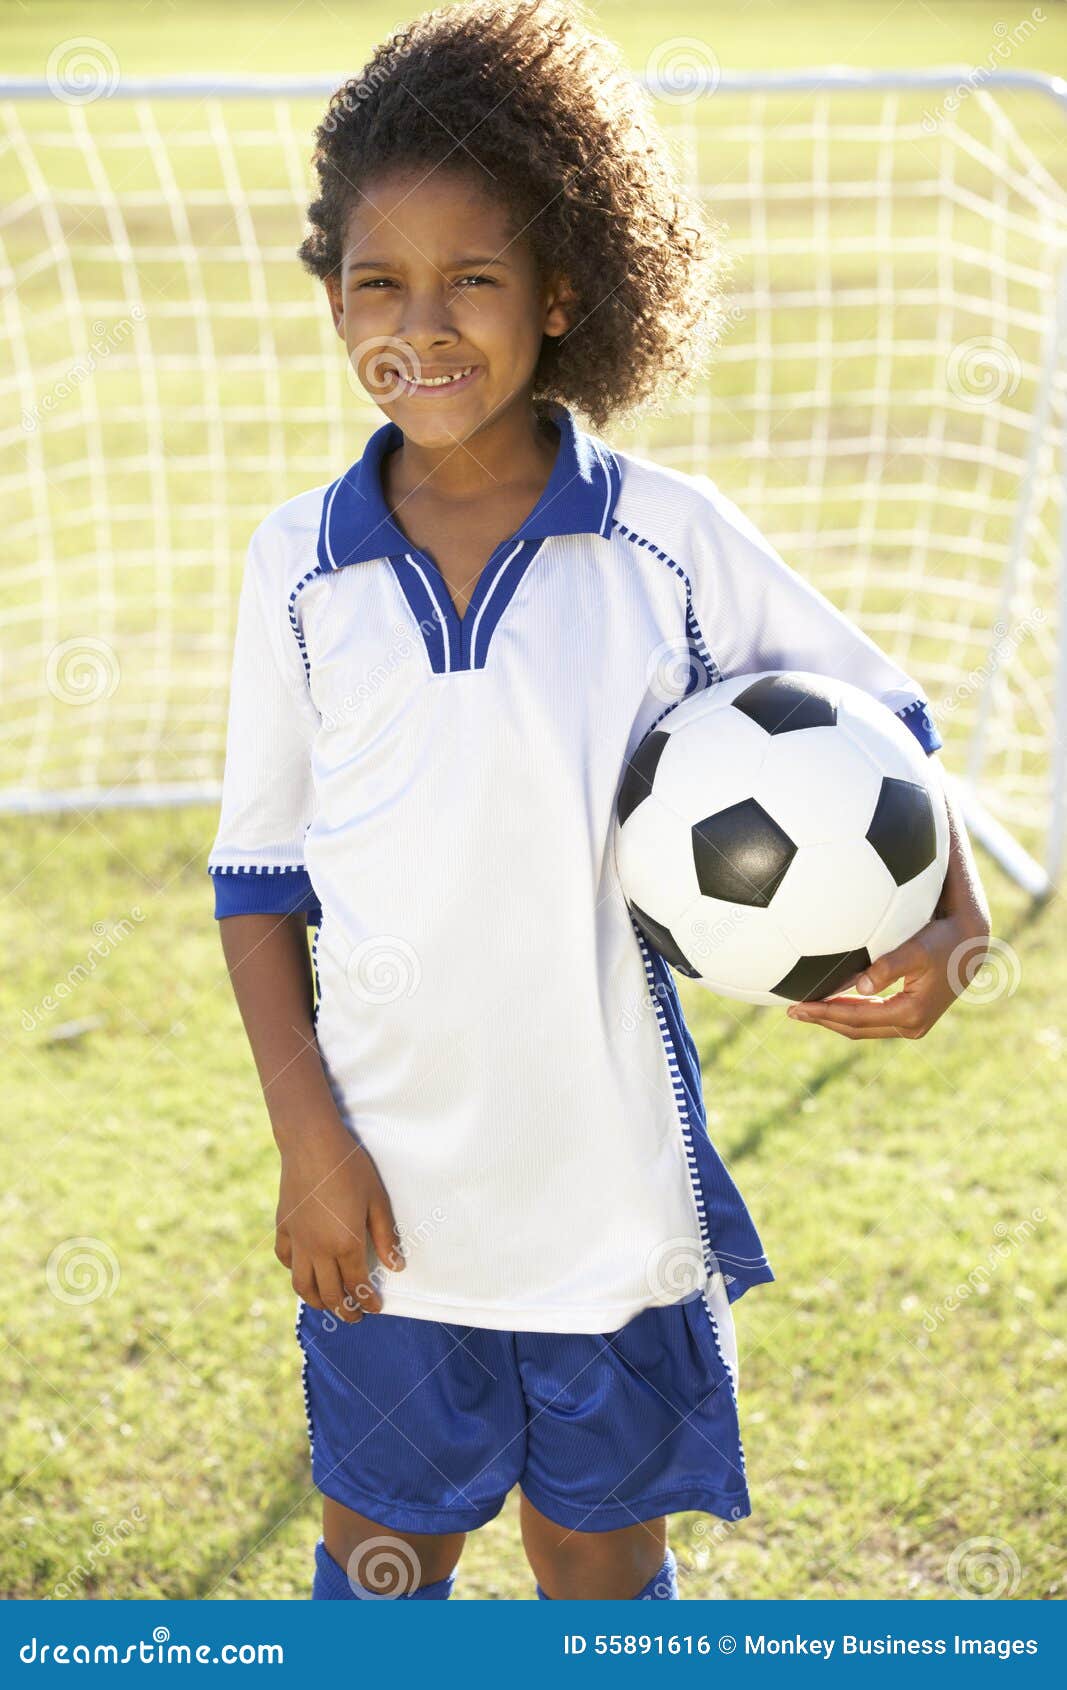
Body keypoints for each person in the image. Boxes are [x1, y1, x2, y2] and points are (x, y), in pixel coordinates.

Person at [208, 0, 991, 1602]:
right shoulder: (296, 565)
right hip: (388, 1187)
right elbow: (255, 877)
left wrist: (956, 916)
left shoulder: (665, 541)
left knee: (598, 1548)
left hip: (608, 1190)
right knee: (385, 1553)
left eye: (473, 280)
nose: (420, 323)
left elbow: (882, 725)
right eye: (378, 281)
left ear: (566, 292)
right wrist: (307, 1142)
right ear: (332, 293)